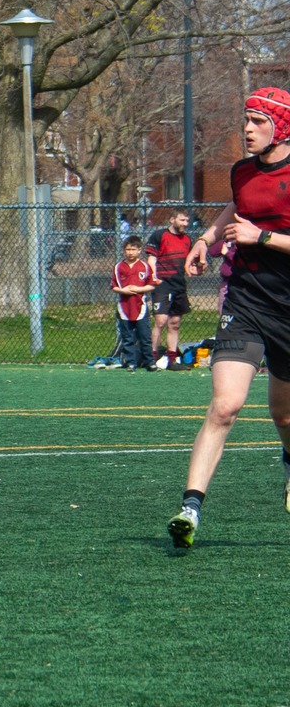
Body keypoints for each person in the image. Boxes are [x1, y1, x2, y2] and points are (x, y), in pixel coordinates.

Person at [167, 87, 290, 548]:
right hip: (246, 302)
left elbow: (257, 228)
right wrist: (205, 239)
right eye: (247, 120)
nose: (248, 128)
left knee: (285, 416)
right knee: (225, 406)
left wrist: (263, 238)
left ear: (280, 126)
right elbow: (234, 209)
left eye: (258, 121)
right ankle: (190, 510)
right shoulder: (241, 171)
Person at [146, 210, 193, 369]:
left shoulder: (187, 239)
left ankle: (172, 360)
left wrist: (195, 268)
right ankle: (152, 358)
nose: (185, 223)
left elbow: (189, 263)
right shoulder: (159, 235)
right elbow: (151, 260)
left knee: (174, 323)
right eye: (182, 220)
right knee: (160, 321)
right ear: (172, 219)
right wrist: (153, 277)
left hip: (179, 285)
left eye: (187, 220)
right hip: (162, 284)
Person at [111, 236, 158, 369]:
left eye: (133, 249)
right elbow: (113, 286)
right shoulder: (118, 267)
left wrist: (139, 289)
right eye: (127, 249)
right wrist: (122, 291)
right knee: (127, 336)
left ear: (139, 250)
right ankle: (131, 362)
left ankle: (149, 361)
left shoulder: (145, 266)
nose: (130, 252)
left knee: (145, 336)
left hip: (140, 306)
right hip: (124, 307)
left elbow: (152, 285)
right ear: (124, 251)